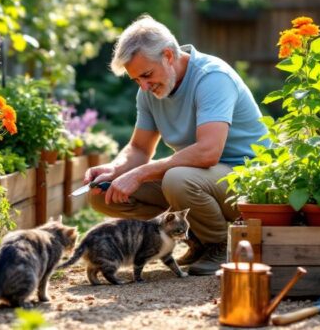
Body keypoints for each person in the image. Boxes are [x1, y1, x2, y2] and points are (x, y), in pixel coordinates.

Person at [84, 14, 269, 276]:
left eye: (147, 75)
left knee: (177, 179)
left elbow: (208, 152)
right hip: (202, 178)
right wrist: (115, 170)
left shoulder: (212, 78)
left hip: (248, 180)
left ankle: (220, 245)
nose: (144, 86)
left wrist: (140, 173)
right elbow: (139, 149)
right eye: (136, 80)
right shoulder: (149, 91)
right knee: (103, 193)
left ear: (168, 56)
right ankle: (197, 241)